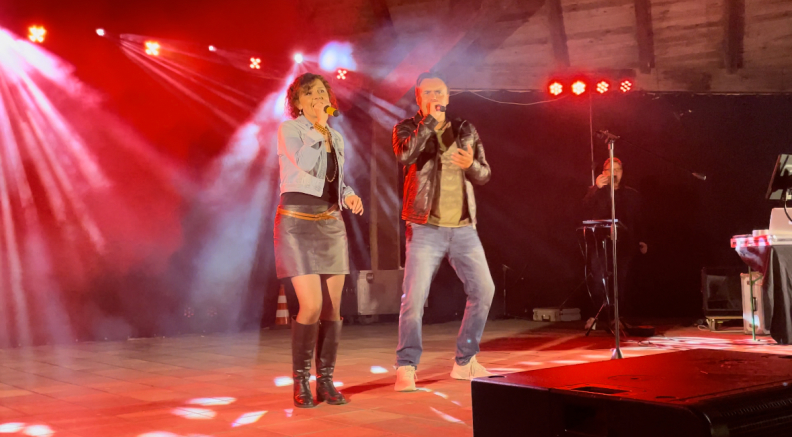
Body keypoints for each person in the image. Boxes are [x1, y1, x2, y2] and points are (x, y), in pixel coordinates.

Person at [391, 71, 495, 392]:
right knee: (414, 298)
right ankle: (406, 365)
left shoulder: (465, 129)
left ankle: (465, 361)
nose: (435, 97)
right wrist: (428, 124)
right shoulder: (407, 127)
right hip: (425, 226)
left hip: (463, 227)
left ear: (448, 96)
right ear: (419, 99)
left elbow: (484, 174)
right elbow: (404, 155)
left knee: (484, 290)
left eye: (440, 92)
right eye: (428, 93)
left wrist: (470, 166)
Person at [273, 73, 364, 408]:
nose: (318, 98)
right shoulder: (289, 130)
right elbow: (307, 165)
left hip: (330, 222)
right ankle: (300, 381)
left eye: (322, 92)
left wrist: (349, 194)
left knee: (333, 307)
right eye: (309, 93)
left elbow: (334, 179)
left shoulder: (334, 136)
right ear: (297, 101)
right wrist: (317, 128)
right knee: (310, 304)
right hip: (296, 223)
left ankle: (325, 380)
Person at [581, 157, 647, 321]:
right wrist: (596, 189)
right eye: (610, 170)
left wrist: (643, 239)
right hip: (600, 243)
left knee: (621, 280)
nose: (614, 173)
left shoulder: (631, 195)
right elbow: (584, 209)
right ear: (603, 173)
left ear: (622, 172)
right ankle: (598, 315)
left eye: (617, 169)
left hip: (624, 244)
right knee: (599, 279)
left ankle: (618, 316)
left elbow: (640, 219)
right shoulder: (596, 191)